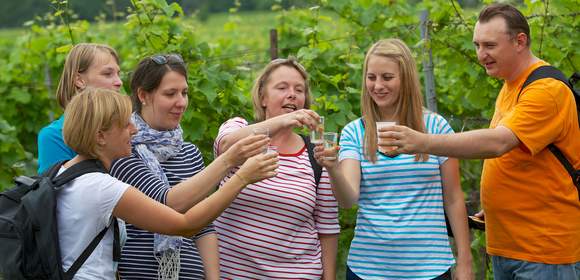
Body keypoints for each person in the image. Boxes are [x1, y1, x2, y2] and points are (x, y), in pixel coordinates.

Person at [382, 4, 580, 280]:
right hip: (509, 244)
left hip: (542, 250)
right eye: (476, 45)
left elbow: (498, 143)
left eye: (489, 45)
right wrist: (499, 205)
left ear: (520, 41)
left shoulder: (546, 90)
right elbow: (521, 156)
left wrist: (422, 141)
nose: (480, 55)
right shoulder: (511, 85)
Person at [58, 87, 277, 279]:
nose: (133, 130)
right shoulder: (100, 187)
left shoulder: (63, 172)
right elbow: (184, 224)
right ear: (100, 136)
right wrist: (241, 177)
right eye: (125, 125)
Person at [315, 38, 473, 280]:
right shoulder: (354, 132)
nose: (377, 86)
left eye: (387, 78)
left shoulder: (435, 127)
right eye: (371, 77)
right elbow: (348, 199)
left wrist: (464, 260)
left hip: (429, 269)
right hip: (368, 270)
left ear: (406, 80)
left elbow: (453, 199)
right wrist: (333, 168)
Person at [108, 54, 271, 279]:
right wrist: (230, 162)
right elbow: (170, 203)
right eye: (170, 94)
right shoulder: (125, 150)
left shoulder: (189, 152)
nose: (181, 102)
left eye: (184, 93)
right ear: (143, 95)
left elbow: (204, 225)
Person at [213, 57, 340, 279]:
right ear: (263, 98)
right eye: (282, 87)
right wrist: (283, 121)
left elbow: (327, 227)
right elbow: (225, 145)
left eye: (299, 90)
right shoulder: (240, 129)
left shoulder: (315, 152)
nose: (292, 94)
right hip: (232, 274)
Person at [38, 43, 122, 174]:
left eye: (118, 74)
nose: (119, 82)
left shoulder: (126, 128)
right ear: (79, 80)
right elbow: (61, 190)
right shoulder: (54, 136)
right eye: (108, 74)